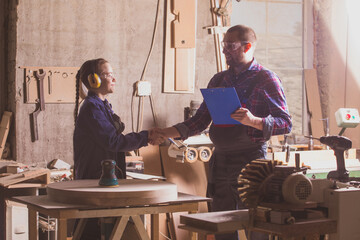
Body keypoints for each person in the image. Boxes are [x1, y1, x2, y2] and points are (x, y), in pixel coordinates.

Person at [157, 25, 292, 240]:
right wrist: (167, 132)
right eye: (224, 45)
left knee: (255, 223)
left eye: (230, 46)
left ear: (247, 47)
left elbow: (285, 123)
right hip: (221, 161)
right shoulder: (219, 80)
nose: (224, 51)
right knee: (221, 223)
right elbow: (200, 120)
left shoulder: (267, 79)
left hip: (252, 161)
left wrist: (254, 121)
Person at [73, 58, 163, 239]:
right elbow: (113, 142)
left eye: (113, 74)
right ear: (93, 80)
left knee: (107, 230)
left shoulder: (103, 105)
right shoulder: (92, 108)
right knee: (91, 232)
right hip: (93, 179)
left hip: (104, 179)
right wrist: (146, 137)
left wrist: (145, 137)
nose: (114, 79)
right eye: (108, 74)